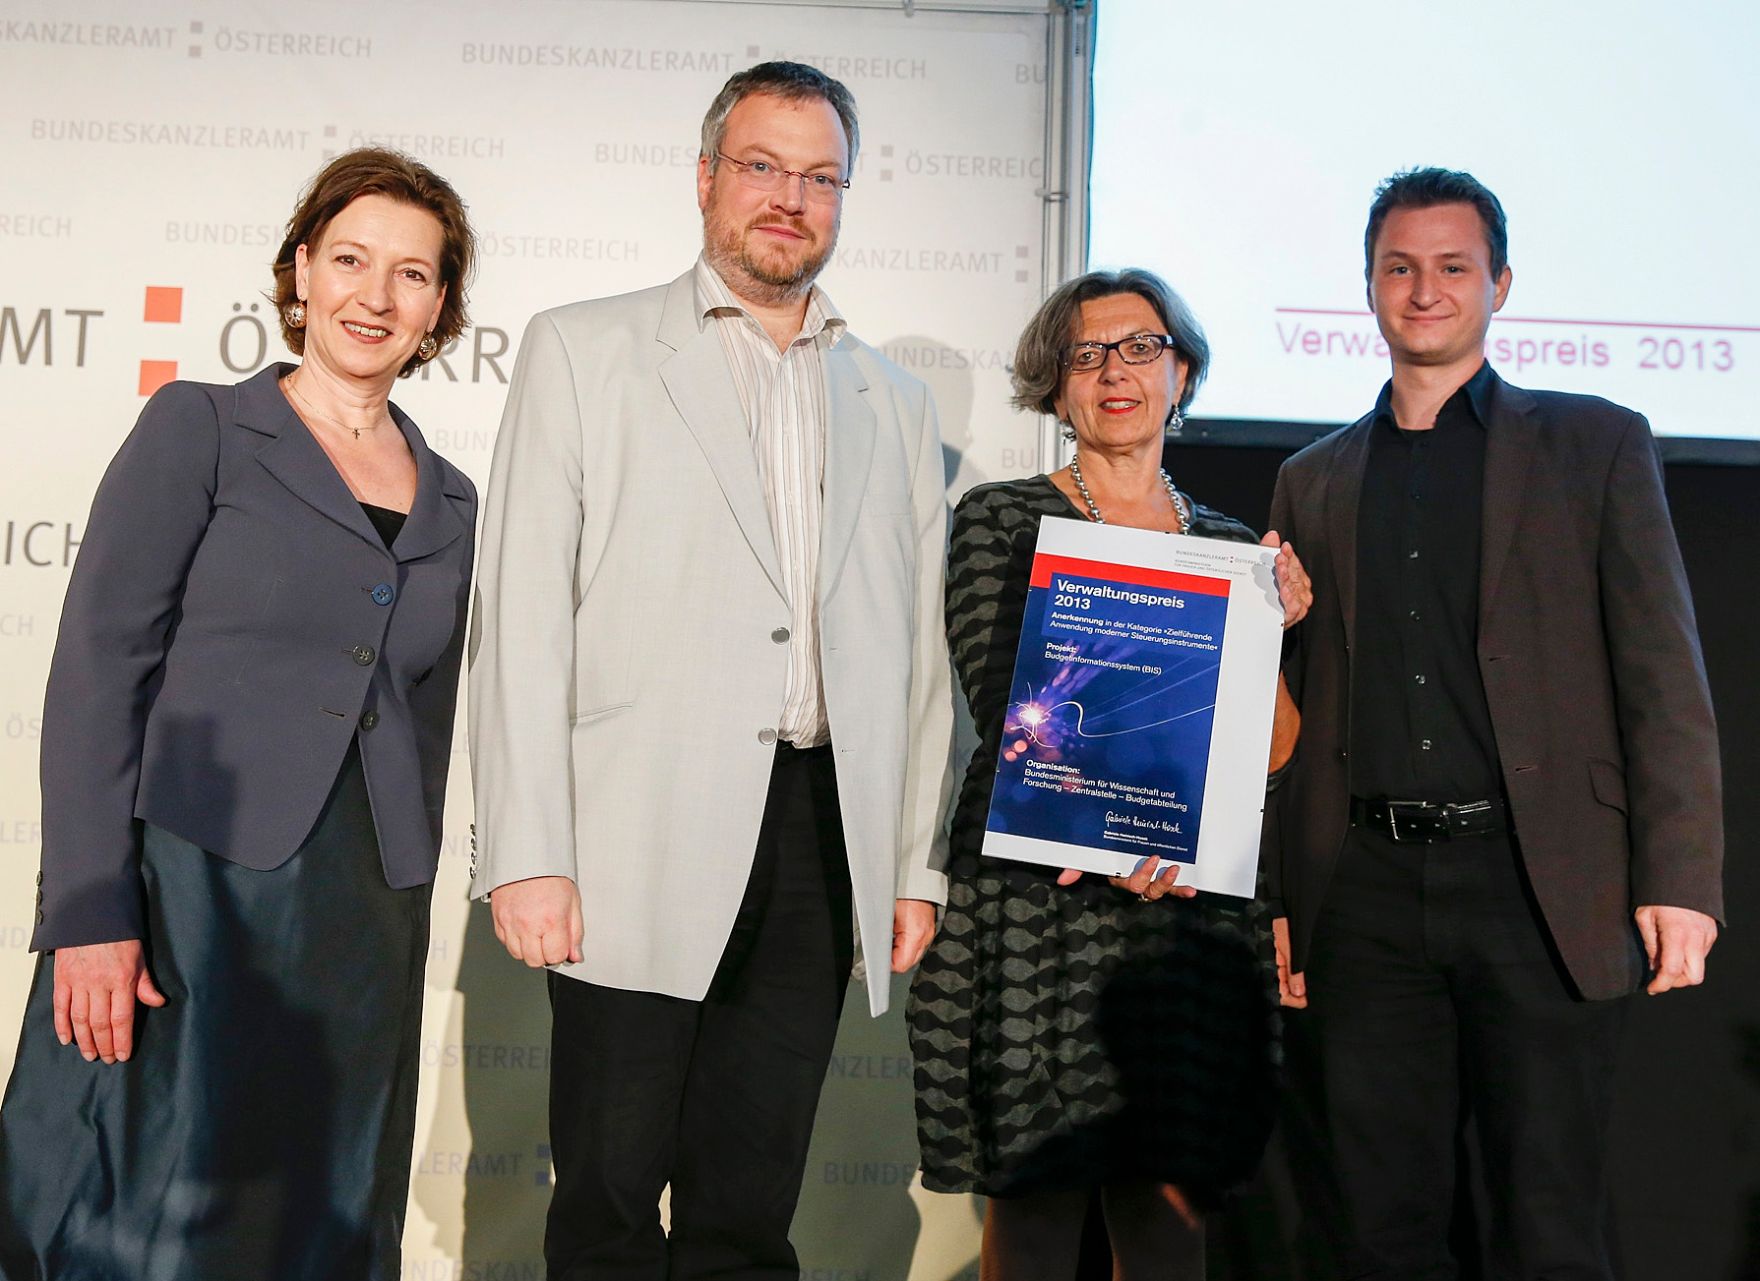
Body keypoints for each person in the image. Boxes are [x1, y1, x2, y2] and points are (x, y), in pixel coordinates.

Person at [467, 62, 953, 1279]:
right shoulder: (582, 349)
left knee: (749, 1210)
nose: (788, 198)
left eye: (819, 176)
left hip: (816, 839)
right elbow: (520, 612)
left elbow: (914, 657)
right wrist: (528, 848)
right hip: (630, 834)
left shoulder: (891, 400)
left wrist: (907, 865)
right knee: (610, 1205)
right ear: (704, 180)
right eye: (761, 166)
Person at [0, 148, 479, 1280]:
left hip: (364, 915)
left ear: (441, 308)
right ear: (301, 270)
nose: (376, 295)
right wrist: (85, 910)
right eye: (352, 260)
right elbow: (96, 673)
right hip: (191, 895)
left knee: (317, 1208)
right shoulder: (201, 428)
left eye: (412, 275)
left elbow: (432, 716)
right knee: (146, 1211)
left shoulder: (455, 496)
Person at [1265, 167, 1723, 1279]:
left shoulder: (1593, 444)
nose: (1424, 290)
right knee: (1376, 1230)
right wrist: (1285, 895)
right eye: (1399, 267)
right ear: (1368, 286)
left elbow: (1662, 671)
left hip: (1542, 883)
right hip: (1364, 895)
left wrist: (1680, 876)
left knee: (1545, 1225)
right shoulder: (1310, 480)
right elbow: (1288, 719)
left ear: (1498, 284)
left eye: (1451, 267)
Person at [908, 268, 1311, 1281]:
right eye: (1084, 355)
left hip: (1183, 912)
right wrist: (1105, 830)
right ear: (1053, 387)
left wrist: (1277, 626)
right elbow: (1011, 708)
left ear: (1181, 372)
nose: (1113, 371)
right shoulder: (999, 521)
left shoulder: (1234, 550)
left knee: (1167, 1216)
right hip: (1040, 901)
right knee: (1036, 1210)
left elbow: (1269, 752)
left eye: (1139, 348)